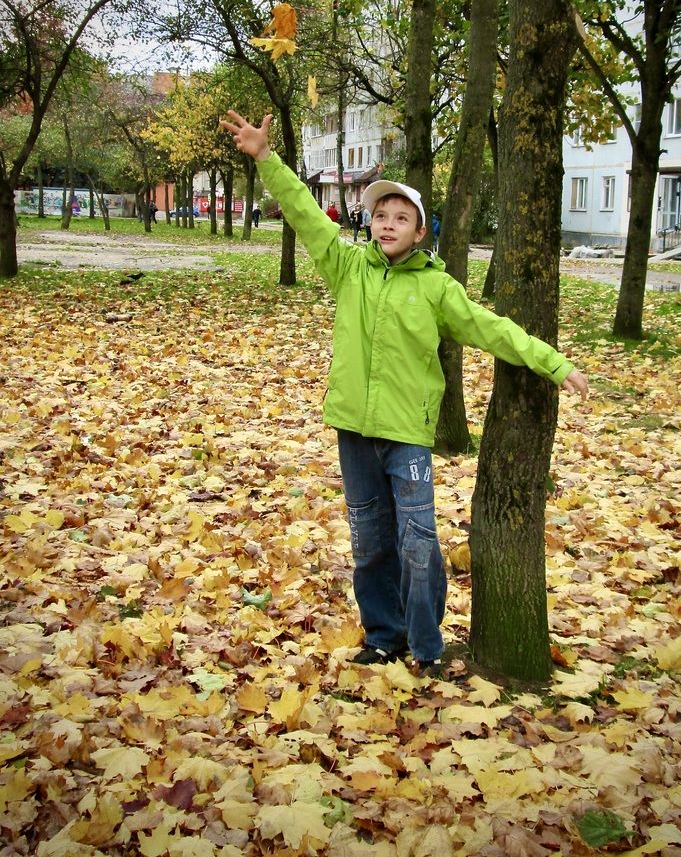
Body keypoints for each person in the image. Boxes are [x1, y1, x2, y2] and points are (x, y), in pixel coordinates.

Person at [220, 111, 589, 677]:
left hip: (407, 436)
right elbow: (305, 215)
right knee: (369, 542)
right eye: (380, 216)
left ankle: (426, 646)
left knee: (418, 544)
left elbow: (492, 329)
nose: (388, 224)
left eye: (401, 217)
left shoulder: (436, 287)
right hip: (354, 430)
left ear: (420, 232)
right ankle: (383, 637)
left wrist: (554, 364)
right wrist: (266, 158)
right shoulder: (349, 268)